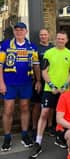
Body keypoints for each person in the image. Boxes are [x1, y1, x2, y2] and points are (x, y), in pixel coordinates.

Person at [29, 31, 70, 159]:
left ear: (66, 40)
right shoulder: (49, 53)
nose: (60, 40)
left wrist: (65, 86)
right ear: (55, 39)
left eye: (62, 39)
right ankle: (38, 142)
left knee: (63, 116)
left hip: (64, 91)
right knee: (44, 113)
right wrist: (53, 86)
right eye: (58, 38)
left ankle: (60, 137)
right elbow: (44, 71)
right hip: (50, 90)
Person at [0, 22, 40, 151]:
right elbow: (0, 65)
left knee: (24, 108)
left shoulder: (31, 47)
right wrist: (1, 83)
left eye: (21, 30)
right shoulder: (5, 45)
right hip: (9, 83)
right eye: (17, 30)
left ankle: (24, 134)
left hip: (26, 83)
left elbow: (36, 65)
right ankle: (7, 136)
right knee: (8, 110)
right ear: (14, 32)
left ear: (26, 32)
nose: (19, 32)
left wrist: (38, 80)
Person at [31, 28, 54, 139]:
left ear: (48, 35)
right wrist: (38, 80)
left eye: (45, 34)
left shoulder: (53, 48)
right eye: (41, 35)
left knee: (50, 106)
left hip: (51, 81)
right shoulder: (35, 48)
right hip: (39, 81)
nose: (43, 36)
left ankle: (49, 126)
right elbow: (35, 65)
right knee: (37, 105)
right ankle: (35, 128)